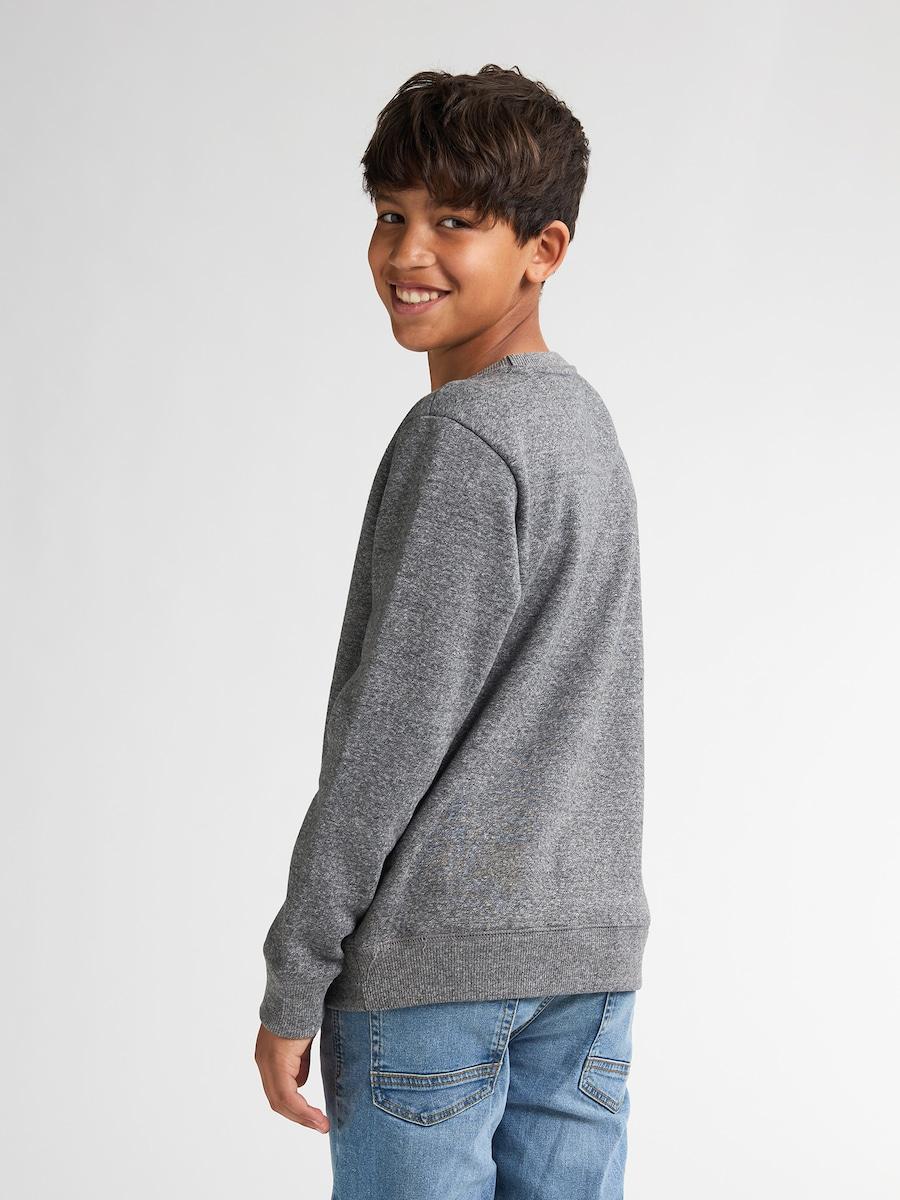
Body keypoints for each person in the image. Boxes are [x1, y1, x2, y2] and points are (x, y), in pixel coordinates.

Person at [254, 63, 651, 1199]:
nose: (407, 253)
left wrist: (297, 971)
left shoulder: (461, 441)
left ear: (544, 249)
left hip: (435, 975)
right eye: (391, 214)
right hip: (585, 963)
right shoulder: (583, 424)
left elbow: (391, 739)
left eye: (455, 222)